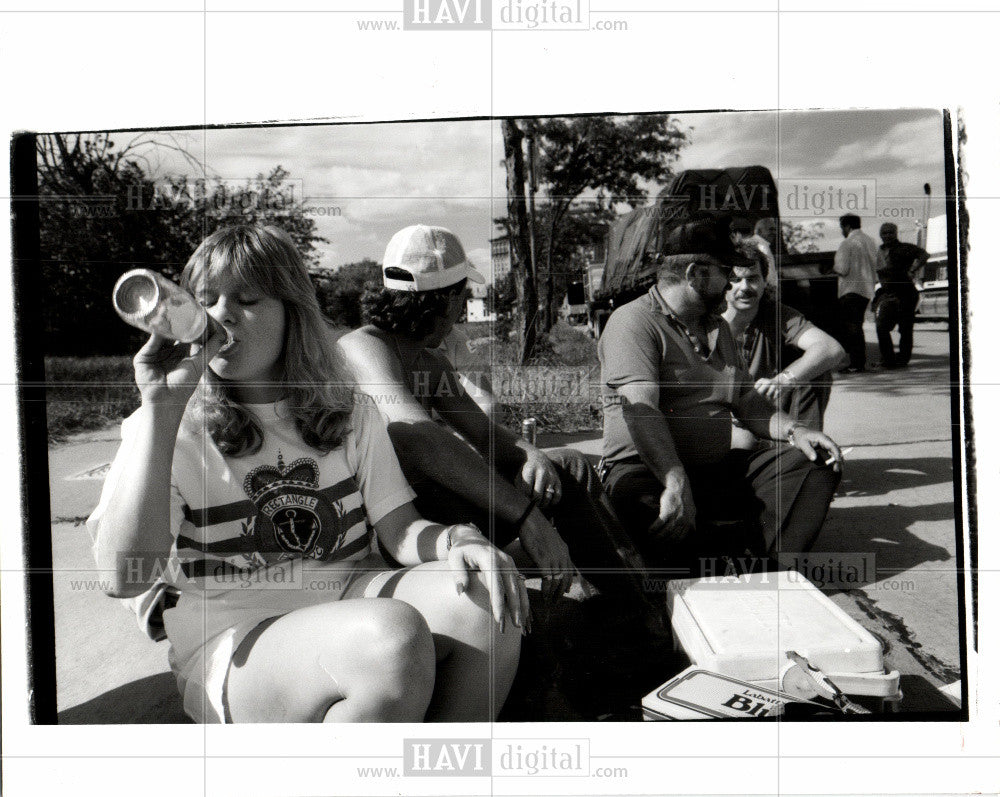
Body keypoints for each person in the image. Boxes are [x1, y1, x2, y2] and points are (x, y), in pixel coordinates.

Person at [88, 224, 527, 724]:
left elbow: (400, 529)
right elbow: (124, 578)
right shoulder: (169, 426)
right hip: (236, 639)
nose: (221, 315)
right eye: (205, 299)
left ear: (293, 315)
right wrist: (160, 411)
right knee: (389, 641)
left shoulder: (349, 411)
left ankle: (440, 772)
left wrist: (458, 541)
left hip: (353, 598)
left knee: (483, 597)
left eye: (248, 299)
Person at [338, 224, 656, 618]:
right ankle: (633, 615)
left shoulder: (430, 361)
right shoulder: (362, 347)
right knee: (564, 477)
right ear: (446, 298)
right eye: (462, 296)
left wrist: (526, 452)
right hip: (401, 529)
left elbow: (483, 431)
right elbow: (416, 437)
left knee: (566, 464)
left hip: (439, 506)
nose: (460, 310)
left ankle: (630, 602)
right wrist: (526, 516)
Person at [598, 221, 843, 573]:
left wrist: (796, 432)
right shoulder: (633, 321)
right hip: (647, 471)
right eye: (726, 272)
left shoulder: (718, 327)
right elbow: (641, 411)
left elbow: (747, 400)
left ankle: (767, 567)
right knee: (655, 516)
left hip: (713, 469)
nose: (731, 283)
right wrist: (675, 480)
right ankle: (710, 560)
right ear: (696, 274)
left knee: (814, 461)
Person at [723, 242, 846, 431]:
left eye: (753, 278)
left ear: (765, 281)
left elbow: (830, 348)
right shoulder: (707, 321)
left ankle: (804, 450)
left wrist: (782, 381)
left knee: (814, 370)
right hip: (721, 417)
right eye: (735, 279)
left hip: (763, 413)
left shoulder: (776, 314)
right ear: (722, 282)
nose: (745, 287)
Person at [874, 222, 929, 369]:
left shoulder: (905, 248)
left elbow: (924, 254)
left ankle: (903, 360)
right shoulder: (878, 251)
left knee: (905, 328)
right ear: (880, 235)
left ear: (896, 233)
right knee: (881, 327)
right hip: (888, 294)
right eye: (884, 233)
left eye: (890, 232)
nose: (887, 235)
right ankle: (889, 360)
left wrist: (914, 268)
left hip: (906, 293)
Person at [832, 214, 878, 373]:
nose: (842, 231)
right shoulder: (871, 241)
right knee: (857, 325)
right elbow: (880, 264)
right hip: (866, 290)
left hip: (850, 289)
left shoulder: (847, 243)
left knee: (852, 328)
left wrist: (831, 269)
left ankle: (856, 363)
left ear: (847, 227)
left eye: (842, 228)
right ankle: (858, 362)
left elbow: (842, 269)